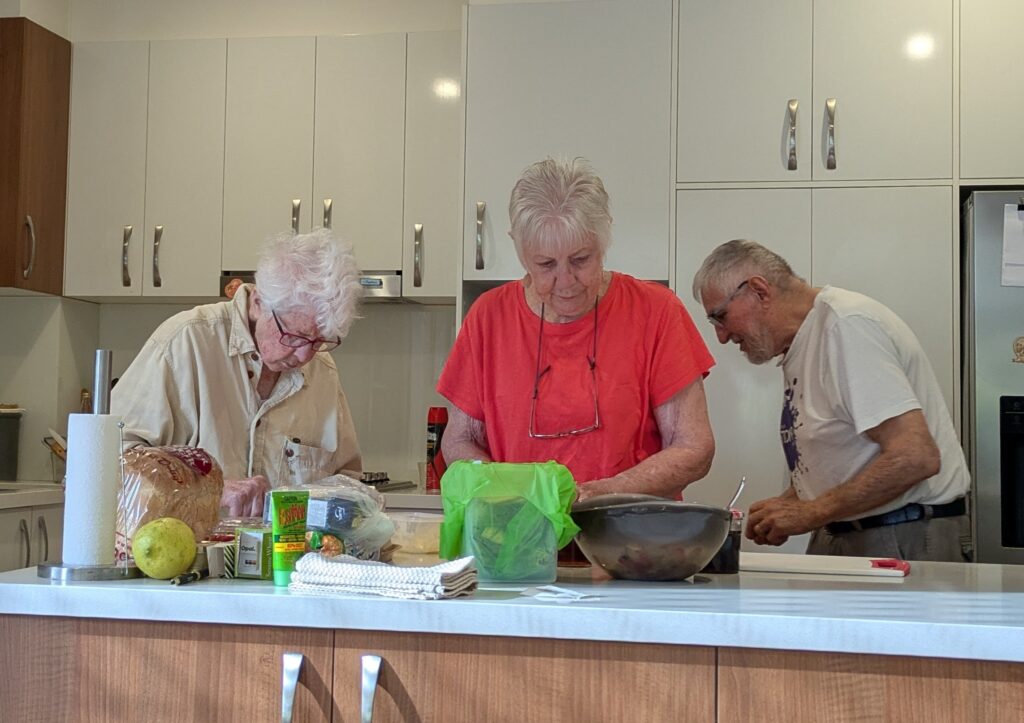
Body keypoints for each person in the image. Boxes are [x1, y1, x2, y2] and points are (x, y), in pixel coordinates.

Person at [438, 157, 715, 502]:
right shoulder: (488, 318)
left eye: (581, 259)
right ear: (521, 252)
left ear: (604, 242)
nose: (566, 281)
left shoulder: (656, 312)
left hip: (628, 542)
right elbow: (458, 440)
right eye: (546, 264)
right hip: (521, 540)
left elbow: (694, 447)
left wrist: (600, 494)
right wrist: (515, 497)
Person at [691, 239, 970, 561]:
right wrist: (793, 502)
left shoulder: (846, 327)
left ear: (759, 290)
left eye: (720, 317)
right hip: (854, 532)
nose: (722, 336)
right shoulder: (808, 338)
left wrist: (810, 512)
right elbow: (847, 452)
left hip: (899, 535)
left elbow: (915, 457)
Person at [112, 228, 364, 516]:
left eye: (320, 341)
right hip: (183, 556)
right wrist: (206, 490)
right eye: (295, 336)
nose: (307, 355)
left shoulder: (323, 371)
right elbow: (109, 462)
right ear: (258, 302)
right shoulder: (185, 343)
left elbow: (347, 481)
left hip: (285, 559)